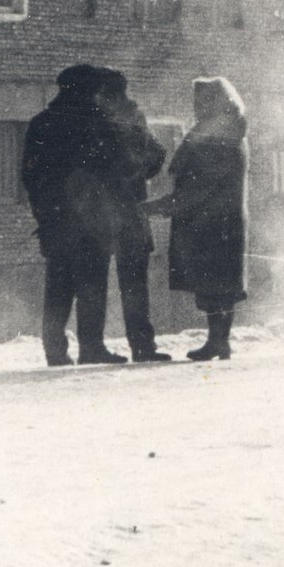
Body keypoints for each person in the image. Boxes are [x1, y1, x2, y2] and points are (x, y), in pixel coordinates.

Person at [20, 64, 134, 367]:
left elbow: (29, 176)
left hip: (55, 220)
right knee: (92, 286)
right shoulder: (98, 123)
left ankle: (54, 350)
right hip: (93, 221)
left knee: (58, 286)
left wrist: (44, 212)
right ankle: (91, 347)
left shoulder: (41, 123)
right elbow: (123, 166)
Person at [157, 76, 250, 362]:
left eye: (202, 100)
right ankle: (217, 341)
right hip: (212, 219)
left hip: (215, 221)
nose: (196, 106)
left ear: (217, 101)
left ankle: (218, 341)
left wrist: (163, 206)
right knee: (214, 284)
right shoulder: (220, 131)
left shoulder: (220, 136)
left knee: (218, 284)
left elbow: (200, 186)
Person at [99, 74, 170, 362]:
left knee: (99, 283)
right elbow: (157, 154)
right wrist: (139, 173)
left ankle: (95, 347)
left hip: (105, 213)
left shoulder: (102, 120)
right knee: (134, 285)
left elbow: (155, 154)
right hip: (129, 211)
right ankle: (142, 347)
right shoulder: (133, 118)